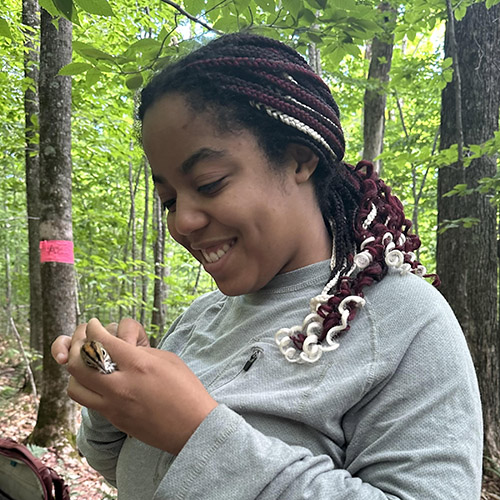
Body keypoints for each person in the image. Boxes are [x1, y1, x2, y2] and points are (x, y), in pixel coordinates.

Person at [51, 33, 483, 499]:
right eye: (169, 200)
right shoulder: (201, 318)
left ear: (300, 159)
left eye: (209, 183)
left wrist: (197, 433)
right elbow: (129, 470)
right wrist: (114, 389)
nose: (183, 221)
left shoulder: (407, 322)